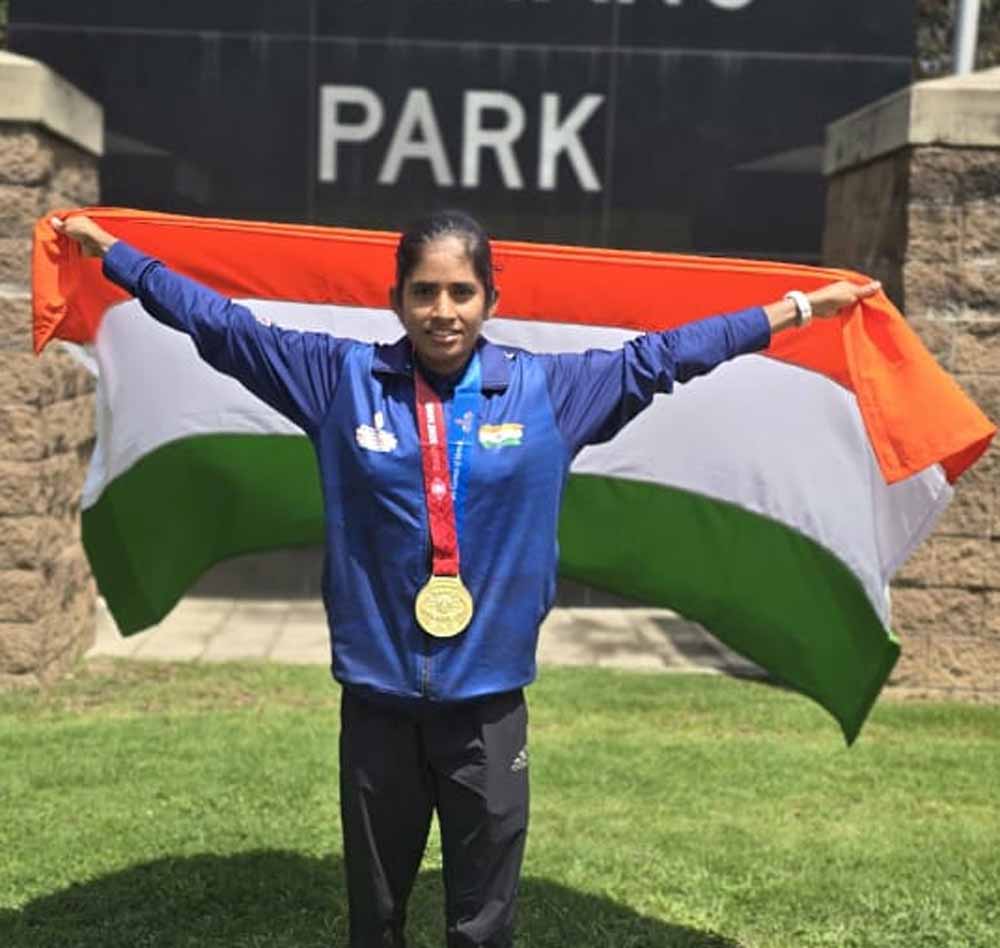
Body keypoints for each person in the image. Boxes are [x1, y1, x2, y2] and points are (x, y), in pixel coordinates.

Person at [52, 209, 880, 948]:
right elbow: (219, 327)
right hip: (377, 702)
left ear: (490, 300)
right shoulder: (338, 380)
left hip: (488, 707)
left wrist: (798, 309)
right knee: (375, 917)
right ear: (397, 301)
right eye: (424, 292)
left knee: (483, 923)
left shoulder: (553, 391)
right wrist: (116, 256)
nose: (442, 311)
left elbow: (667, 356)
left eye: (460, 292)